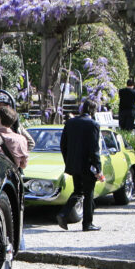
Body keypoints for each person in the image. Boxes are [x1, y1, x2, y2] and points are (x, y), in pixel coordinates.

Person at [57, 98, 104, 232]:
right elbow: (94, 149)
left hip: (74, 164)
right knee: (88, 193)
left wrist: (68, 161)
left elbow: (63, 145)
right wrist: (98, 168)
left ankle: (63, 213)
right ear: (93, 110)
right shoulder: (93, 124)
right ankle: (87, 223)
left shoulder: (70, 122)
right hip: (87, 165)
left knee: (78, 191)